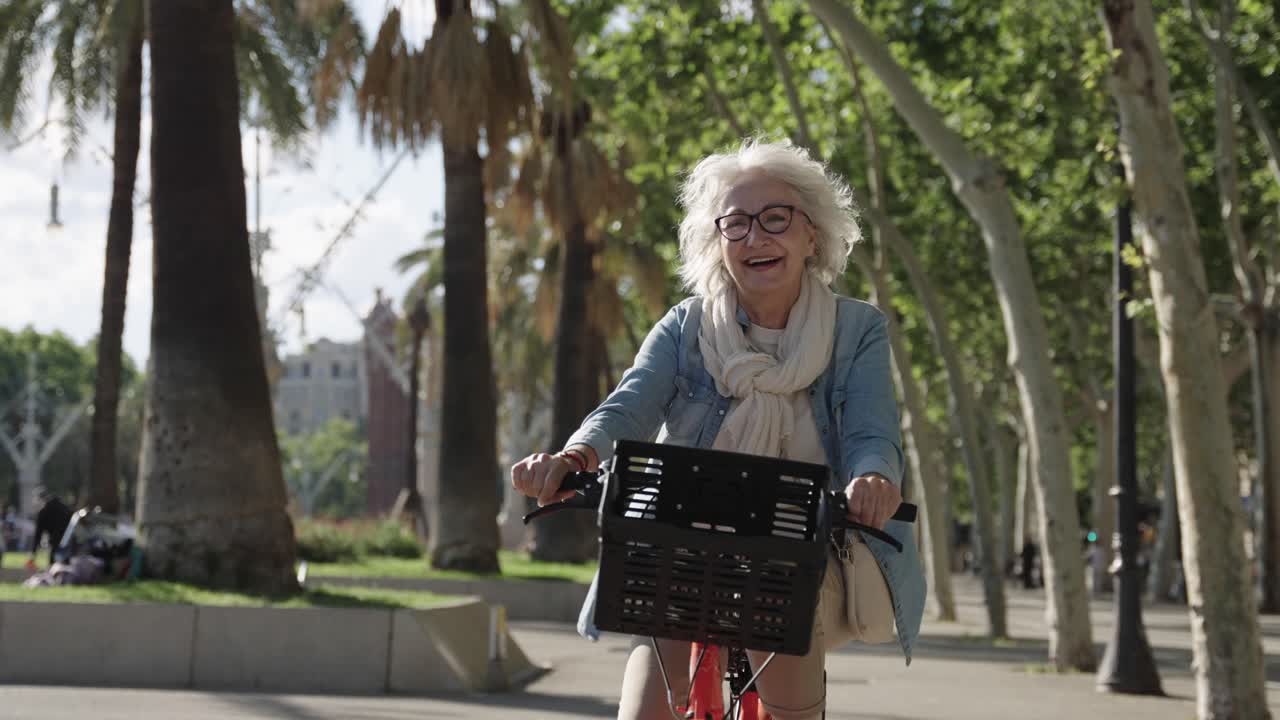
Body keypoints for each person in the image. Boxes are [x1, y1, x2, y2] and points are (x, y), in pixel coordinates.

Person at [511, 139, 925, 720]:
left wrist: (875, 478)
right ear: (717, 242)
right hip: (681, 543)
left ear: (813, 235)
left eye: (776, 218)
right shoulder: (684, 327)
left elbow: (871, 430)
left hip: (801, 552)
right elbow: (628, 407)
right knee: (657, 632)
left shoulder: (857, 330)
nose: (756, 237)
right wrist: (576, 456)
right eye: (736, 224)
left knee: (775, 598)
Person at [29, 487, 73, 567]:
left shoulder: (43, 512)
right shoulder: (64, 507)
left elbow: (37, 535)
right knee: (67, 568)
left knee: (54, 568)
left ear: (40, 499)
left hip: (55, 543)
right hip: (69, 542)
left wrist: (33, 554)